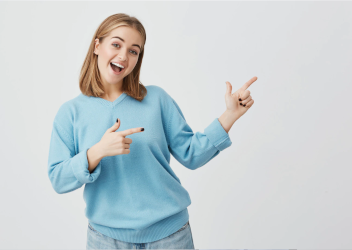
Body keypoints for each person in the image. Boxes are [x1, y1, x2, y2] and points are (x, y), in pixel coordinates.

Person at [47, 13, 256, 250]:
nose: (123, 56)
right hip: (105, 240)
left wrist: (230, 115)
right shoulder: (71, 113)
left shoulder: (157, 99)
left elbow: (192, 154)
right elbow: (58, 179)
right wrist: (96, 152)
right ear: (97, 45)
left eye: (134, 51)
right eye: (116, 44)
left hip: (171, 237)